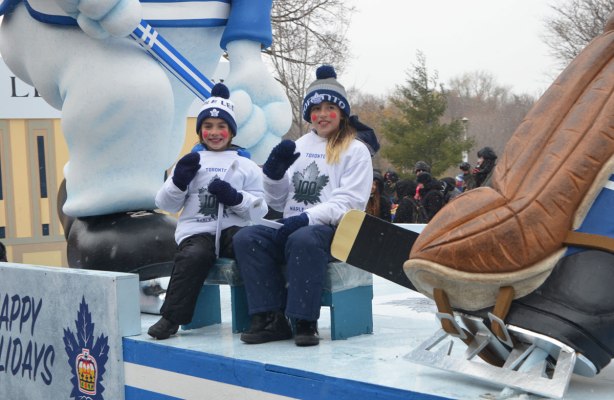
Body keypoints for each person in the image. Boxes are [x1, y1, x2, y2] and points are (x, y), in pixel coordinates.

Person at [233, 65, 373, 347]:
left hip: (330, 230)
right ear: (308, 113)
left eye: (329, 107)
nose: (322, 114)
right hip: (290, 224)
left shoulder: (355, 150)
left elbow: (349, 203)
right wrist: (272, 176)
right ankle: (270, 317)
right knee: (246, 237)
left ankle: (304, 320)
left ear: (342, 112)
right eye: (316, 108)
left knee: (304, 239)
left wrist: (305, 219)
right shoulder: (299, 144)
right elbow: (278, 200)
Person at [148, 83, 268, 340]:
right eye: (208, 126)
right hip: (197, 230)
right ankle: (171, 317)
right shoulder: (190, 162)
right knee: (194, 256)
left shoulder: (246, 165)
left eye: (221, 126)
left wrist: (236, 198)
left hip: (233, 229)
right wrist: (179, 181)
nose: (215, 133)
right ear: (200, 130)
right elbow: (165, 204)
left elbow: (260, 210)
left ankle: (264, 315)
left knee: (254, 247)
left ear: (232, 131)